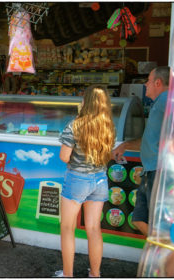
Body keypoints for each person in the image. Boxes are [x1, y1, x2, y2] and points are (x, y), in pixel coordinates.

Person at [56, 86, 115, 277]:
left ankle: (67, 275)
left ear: (86, 102)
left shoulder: (75, 125)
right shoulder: (108, 126)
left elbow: (64, 157)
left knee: (67, 228)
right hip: (100, 180)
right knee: (94, 229)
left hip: (77, 181)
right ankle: (95, 274)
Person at [113, 66, 170, 236]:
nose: (145, 84)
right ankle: (163, 253)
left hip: (159, 172)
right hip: (151, 171)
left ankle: (166, 254)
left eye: (148, 81)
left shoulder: (166, 103)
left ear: (158, 83)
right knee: (140, 219)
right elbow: (150, 140)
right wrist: (125, 146)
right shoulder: (159, 104)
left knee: (151, 220)